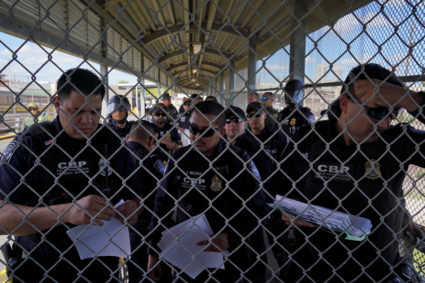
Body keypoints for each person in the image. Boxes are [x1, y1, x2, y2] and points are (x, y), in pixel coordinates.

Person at [280, 63, 425, 282]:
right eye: (377, 111)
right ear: (345, 103)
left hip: (377, 273)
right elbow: (275, 191)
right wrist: (285, 212)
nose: (385, 123)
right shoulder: (310, 140)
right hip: (314, 271)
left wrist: (412, 100)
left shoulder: (396, 142)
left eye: (393, 112)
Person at [0, 68, 144, 282]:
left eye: (95, 112)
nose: (87, 121)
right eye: (77, 111)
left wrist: (133, 208)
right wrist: (66, 212)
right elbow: (3, 218)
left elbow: (137, 196)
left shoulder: (110, 142)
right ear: (57, 103)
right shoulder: (31, 144)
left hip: (101, 269)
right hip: (41, 268)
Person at [147, 101, 267, 282]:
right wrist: (153, 252)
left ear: (221, 132)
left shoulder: (238, 161)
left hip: (227, 258)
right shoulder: (179, 159)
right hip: (186, 254)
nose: (197, 136)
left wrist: (230, 237)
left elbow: (258, 209)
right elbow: (161, 206)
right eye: (193, 128)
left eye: (207, 131)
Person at [125, 120, 172, 283]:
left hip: (123, 229)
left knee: (135, 274)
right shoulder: (153, 160)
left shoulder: (115, 159)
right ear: (152, 141)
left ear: (127, 139)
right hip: (151, 227)